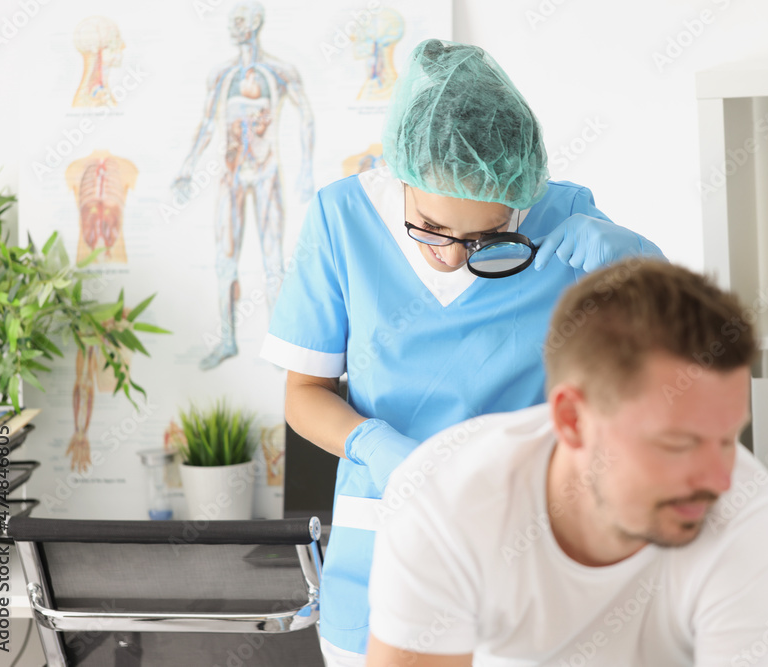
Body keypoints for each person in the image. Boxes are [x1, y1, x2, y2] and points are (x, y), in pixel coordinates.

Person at [260, 39, 664, 666]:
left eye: (487, 238)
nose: (451, 256)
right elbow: (303, 395)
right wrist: (375, 446)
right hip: (384, 542)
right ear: (403, 176)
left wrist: (642, 268)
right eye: (432, 228)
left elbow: (669, 366)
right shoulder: (342, 219)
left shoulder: (565, 217)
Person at [366, 259, 768, 667]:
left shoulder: (750, 515)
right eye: (677, 444)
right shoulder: (444, 501)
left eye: (729, 440)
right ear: (572, 420)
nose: (720, 480)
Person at [176, 1, 315, 370]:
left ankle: (279, 349)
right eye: (231, 20)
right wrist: (188, 166)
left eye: (238, 20)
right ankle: (227, 340)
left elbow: (306, 116)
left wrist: (306, 169)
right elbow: (208, 124)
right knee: (225, 259)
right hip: (231, 175)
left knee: (273, 262)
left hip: (267, 172)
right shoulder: (221, 74)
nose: (232, 26)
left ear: (255, 23)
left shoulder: (280, 72)